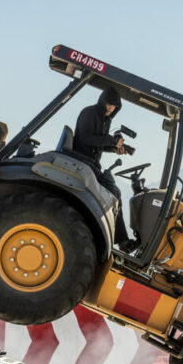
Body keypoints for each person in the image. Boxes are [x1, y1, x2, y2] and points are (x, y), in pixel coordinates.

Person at [74, 86, 136, 250]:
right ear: (102, 102)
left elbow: (100, 143)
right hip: (81, 160)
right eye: (108, 104)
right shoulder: (89, 113)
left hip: (92, 164)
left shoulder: (107, 121)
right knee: (113, 190)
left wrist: (118, 148)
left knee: (115, 192)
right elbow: (85, 138)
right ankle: (121, 240)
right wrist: (111, 140)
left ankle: (121, 239)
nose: (110, 108)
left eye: (113, 106)